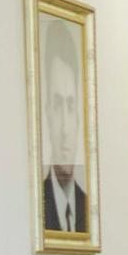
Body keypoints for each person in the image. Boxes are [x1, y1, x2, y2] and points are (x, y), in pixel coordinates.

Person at [37, 28, 90, 239]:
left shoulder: (88, 208)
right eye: (58, 106)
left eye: (70, 105)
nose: (66, 129)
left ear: (79, 116)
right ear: (47, 114)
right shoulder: (39, 205)